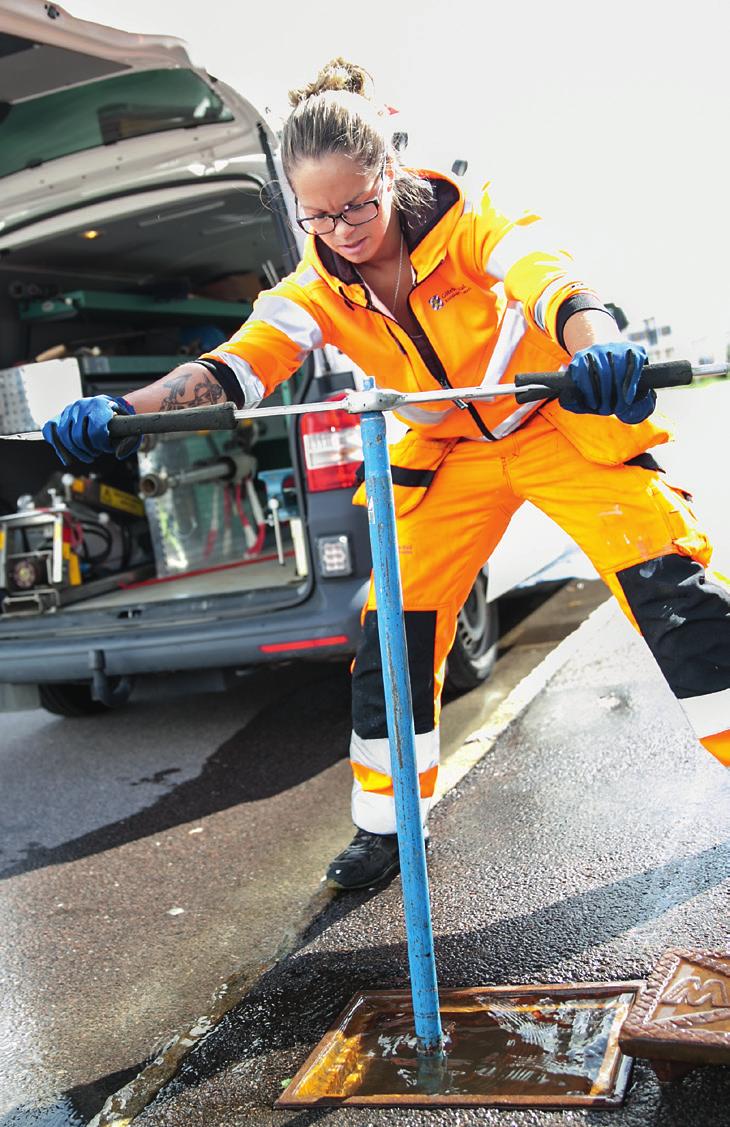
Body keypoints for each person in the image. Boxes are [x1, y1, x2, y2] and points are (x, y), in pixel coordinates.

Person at [43, 59, 730, 892]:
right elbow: (237, 369)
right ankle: (387, 826)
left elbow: (548, 276)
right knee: (391, 634)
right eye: (319, 216)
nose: (342, 229)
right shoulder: (313, 289)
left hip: (552, 423)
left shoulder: (471, 219)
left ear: (390, 174)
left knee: (676, 586)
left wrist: (598, 345)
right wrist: (125, 412)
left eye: (359, 205)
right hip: (445, 455)